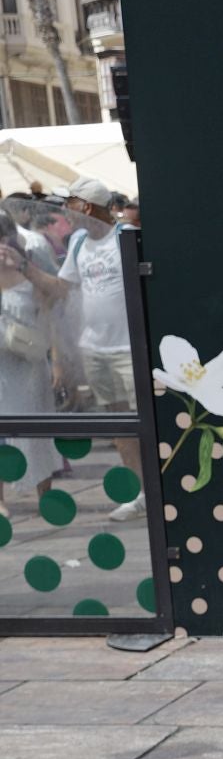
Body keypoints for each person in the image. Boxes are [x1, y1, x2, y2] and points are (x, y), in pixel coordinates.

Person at [16, 178, 142, 519]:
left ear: (86, 207)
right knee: (120, 427)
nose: (64, 210)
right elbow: (62, 288)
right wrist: (24, 268)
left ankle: (160, 491)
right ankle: (138, 493)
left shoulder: (126, 236)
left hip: (130, 349)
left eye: (69, 202)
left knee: (145, 424)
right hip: (96, 349)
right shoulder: (79, 243)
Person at [0, 210, 59, 517]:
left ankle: (44, 494)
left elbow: (56, 295)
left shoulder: (27, 264)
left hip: (28, 363)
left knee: (36, 430)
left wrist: (22, 266)